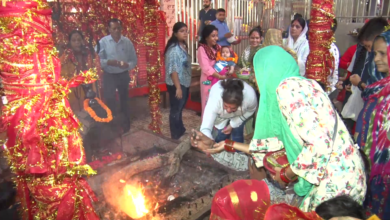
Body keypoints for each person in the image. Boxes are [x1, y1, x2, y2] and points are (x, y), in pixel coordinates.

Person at [194, 46, 367, 212]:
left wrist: (286, 175)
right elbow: (273, 147)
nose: (255, 80)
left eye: (257, 73)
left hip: (333, 186)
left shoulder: (288, 90)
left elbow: (319, 143)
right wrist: (225, 145)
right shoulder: (302, 89)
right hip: (343, 179)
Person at [357, 31, 390, 219]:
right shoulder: (380, 87)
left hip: (384, 178)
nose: (376, 58)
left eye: (382, 54)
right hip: (370, 171)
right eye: (375, 53)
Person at [98, 18, 137, 133]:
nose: (116, 31)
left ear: (121, 28)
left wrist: (127, 65)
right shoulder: (103, 42)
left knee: (124, 100)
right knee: (110, 100)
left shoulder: (127, 42)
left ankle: (125, 126)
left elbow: (133, 60)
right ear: (109, 29)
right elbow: (98, 61)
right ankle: (112, 127)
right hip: (109, 75)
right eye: (113, 28)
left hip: (123, 75)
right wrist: (108, 62)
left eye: (118, 28)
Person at [164, 22, 192, 140]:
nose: (185, 33)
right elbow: (173, 70)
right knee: (176, 109)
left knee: (180, 108)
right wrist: (178, 88)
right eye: (181, 31)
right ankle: (175, 134)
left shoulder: (183, 46)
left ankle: (180, 129)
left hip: (184, 81)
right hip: (176, 83)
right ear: (175, 33)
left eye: (186, 31)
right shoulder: (174, 50)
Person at [60, 30, 98, 112]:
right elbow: (62, 72)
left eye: (79, 40)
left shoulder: (87, 53)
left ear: (82, 41)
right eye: (74, 40)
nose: (77, 42)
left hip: (88, 86)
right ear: (70, 42)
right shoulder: (66, 56)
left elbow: (94, 69)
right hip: (73, 89)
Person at [197, 25, 221, 116]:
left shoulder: (218, 47)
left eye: (217, 35)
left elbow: (224, 60)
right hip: (208, 80)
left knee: (218, 104)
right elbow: (206, 68)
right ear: (206, 37)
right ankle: (206, 129)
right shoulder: (202, 49)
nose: (216, 38)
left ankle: (217, 128)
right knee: (208, 104)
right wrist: (219, 76)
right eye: (213, 36)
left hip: (219, 79)